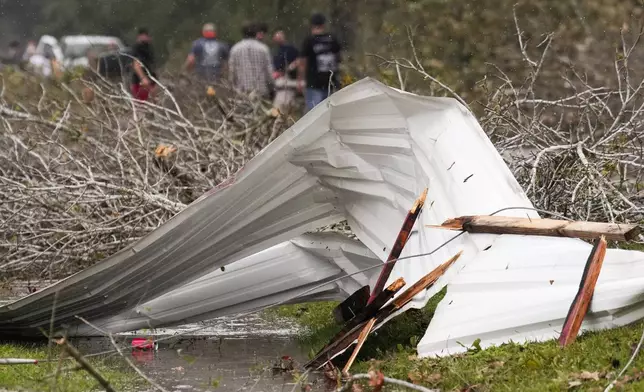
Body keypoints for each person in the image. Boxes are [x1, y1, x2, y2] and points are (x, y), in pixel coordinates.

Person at [298, 13, 342, 112]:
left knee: (313, 114)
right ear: (323, 25)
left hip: (314, 83)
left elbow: (302, 62)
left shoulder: (309, 41)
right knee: (328, 112)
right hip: (330, 82)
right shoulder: (332, 39)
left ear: (312, 25)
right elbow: (339, 58)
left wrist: (300, 80)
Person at [228, 22, 273, 98]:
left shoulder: (235, 49)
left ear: (243, 33)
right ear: (255, 33)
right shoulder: (263, 48)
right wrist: (272, 87)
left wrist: (232, 87)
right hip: (260, 91)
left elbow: (232, 71)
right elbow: (269, 71)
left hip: (242, 91)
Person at [272, 30, 299, 111]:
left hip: (289, 78)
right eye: (276, 37)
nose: (278, 39)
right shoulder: (275, 50)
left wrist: (289, 68)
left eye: (280, 37)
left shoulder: (290, 48)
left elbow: (298, 60)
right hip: (278, 79)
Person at [131, 28, 156, 101]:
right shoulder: (137, 47)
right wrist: (143, 78)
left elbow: (152, 65)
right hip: (140, 83)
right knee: (141, 105)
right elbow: (136, 64)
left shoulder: (148, 48)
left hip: (150, 82)